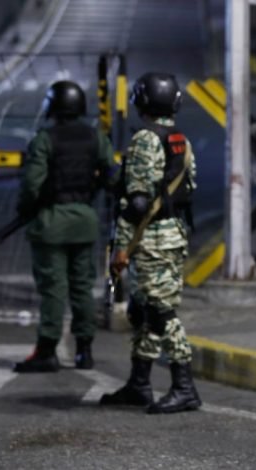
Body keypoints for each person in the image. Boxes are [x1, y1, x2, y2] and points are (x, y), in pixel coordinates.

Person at [98, 71, 200, 414]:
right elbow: (188, 187)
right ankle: (139, 383)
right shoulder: (179, 139)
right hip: (172, 234)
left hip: (151, 237)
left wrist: (121, 248)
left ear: (141, 100)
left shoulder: (145, 139)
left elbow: (138, 203)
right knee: (144, 310)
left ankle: (185, 387)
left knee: (161, 312)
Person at [13, 80, 118, 373]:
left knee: (53, 288)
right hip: (84, 220)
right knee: (82, 286)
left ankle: (47, 350)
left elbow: (32, 184)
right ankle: (84, 350)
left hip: (52, 223)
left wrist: (25, 208)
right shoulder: (96, 138)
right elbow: (112, 176)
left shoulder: (45, 140)